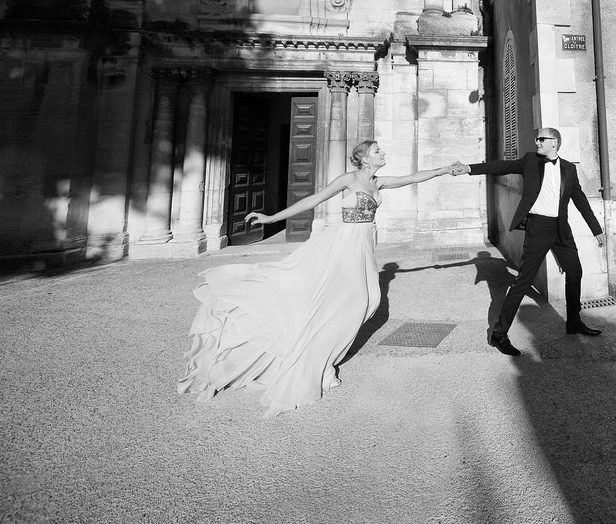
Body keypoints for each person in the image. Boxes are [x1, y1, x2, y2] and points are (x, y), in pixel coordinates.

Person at [178, 141, 453, 417]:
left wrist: (444, 170)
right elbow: (313, 200)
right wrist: (272, 217)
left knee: (368, 301)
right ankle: (317, 362)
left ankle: (323, 356)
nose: (383, 153)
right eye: (377, 151)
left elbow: (414, 177)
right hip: (343, 244)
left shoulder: (378, 182)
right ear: (364, 158)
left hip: (364, 246)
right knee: (354, 301)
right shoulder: (349, 179)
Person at [450, 127, 604, 356]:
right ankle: (499, 334)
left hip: (561, 229)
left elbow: (580, 200)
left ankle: (573, 321)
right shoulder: (530, 161)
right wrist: (469, 168)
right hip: (538, 228)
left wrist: (596, 229)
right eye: (537, 138)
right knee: (523, 281)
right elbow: (502, 166)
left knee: (575, 272)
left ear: (555, 143)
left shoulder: (569, 169)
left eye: (542, 139)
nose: (537, 142)